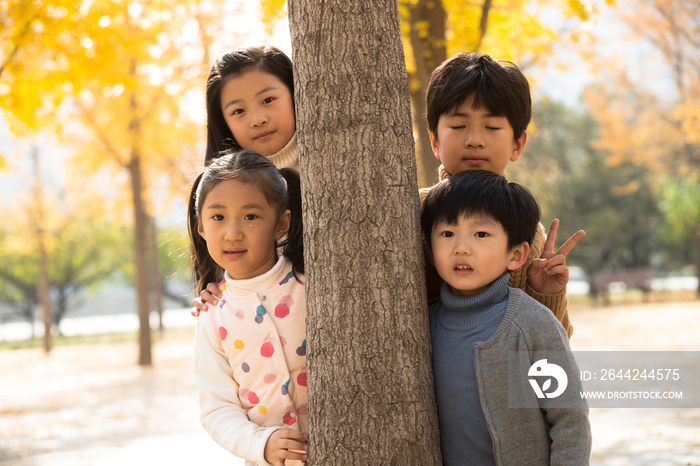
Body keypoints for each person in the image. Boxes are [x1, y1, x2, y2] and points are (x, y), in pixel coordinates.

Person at [421, 169, 591, 465]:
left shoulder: (531, 324)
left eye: (481, 234)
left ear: (515, 255)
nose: (461, 247)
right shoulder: (422, 325)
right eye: (447, 233)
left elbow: (570, 419)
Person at [421, 51, 584, 337]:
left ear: (517, 144)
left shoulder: (527, 234)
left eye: (492, 127)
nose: (475, 140)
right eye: (458, 126)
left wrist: (547, 292)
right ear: (435, 140)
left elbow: (550, 349)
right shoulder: (414, 211)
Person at [190, 150, 308, 466]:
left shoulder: (309, 284)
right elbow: (217, 408)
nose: (233, 233)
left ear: (282, 224)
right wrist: (260, 443)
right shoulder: (212, 314)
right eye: (218, 217)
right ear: (201, 227)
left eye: (251, 216)